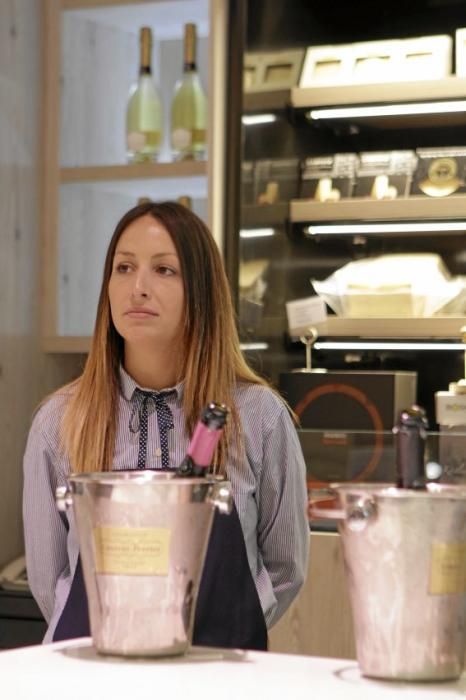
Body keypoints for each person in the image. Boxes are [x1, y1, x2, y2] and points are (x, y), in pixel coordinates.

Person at [23, 201, 309, 649]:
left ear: (202, 291)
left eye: (164, 270)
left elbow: (285, 568)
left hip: (216, 676)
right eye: (123, 267)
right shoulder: (59, 421)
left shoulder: (260, 418)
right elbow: (49, 581)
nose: (138, 287)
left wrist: (219, 632)